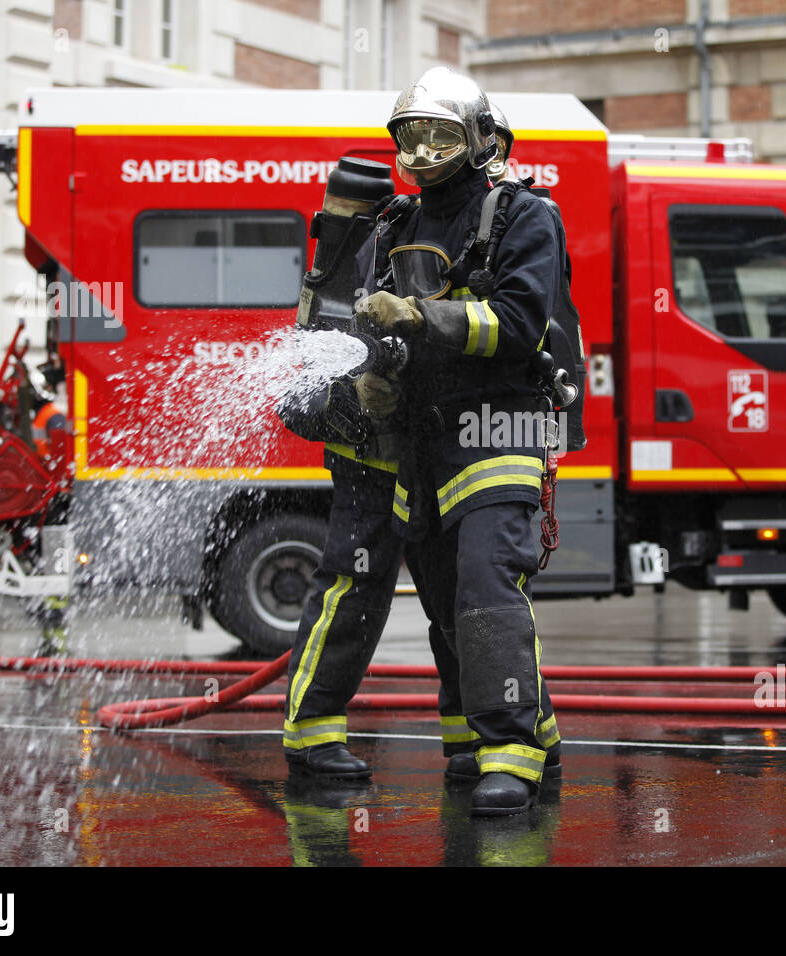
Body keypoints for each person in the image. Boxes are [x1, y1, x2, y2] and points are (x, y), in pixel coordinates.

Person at [354, 67, 565, 815]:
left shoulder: (524, 217)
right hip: (422, 437)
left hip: (500, 426)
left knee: (485, 584)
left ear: (480, 141)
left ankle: (511, 755)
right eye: (410, 137)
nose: (421, 152)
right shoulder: (395, 225)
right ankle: (491, 738)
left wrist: (421, 317)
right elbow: (371, 323)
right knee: (446, 602)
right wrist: (373, 374)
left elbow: (519, 325)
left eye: (440, 136)